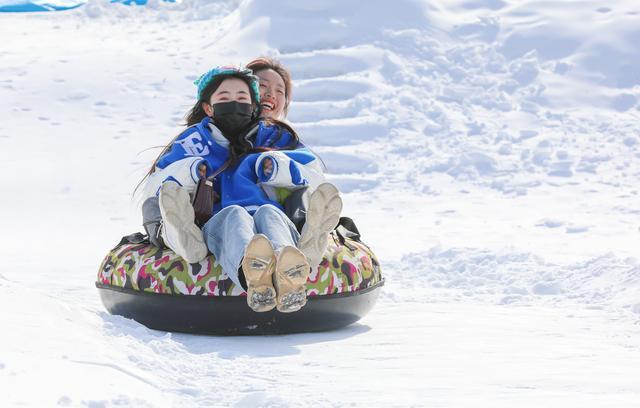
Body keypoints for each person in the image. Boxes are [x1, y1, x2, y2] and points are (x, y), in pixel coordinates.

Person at [139, 66, 342, 313]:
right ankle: (253, 279)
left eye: (242, 99)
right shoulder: (194, 141)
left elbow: (314, 174)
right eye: (224, 99)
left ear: (253, 104)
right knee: (233, 215)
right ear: (208, 107)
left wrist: (276, 167)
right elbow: (158, 181)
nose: (234, 104)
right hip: (218, 217)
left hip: (272, 210)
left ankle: (290, 270)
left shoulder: (274, 137)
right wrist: (192, 171)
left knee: (270, 213)